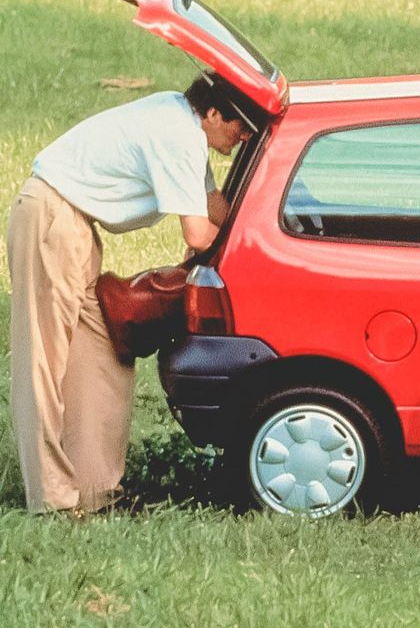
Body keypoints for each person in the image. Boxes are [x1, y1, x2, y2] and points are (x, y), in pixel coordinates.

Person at [7, 72, 261, 514]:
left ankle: (95, 490)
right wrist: (252, 255)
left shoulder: (186, 124)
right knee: (45, 362)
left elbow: (213, 205)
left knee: (104, 354)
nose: (243, 138)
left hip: (75, 225)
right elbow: (198, 234)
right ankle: (52, 499)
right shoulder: (179, 135)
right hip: (50, 215)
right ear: (213, 114)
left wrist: (262, 233)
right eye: (241, 128)